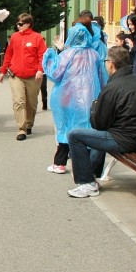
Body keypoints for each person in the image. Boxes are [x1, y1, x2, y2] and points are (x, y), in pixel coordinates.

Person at [65, 45, 136, 198]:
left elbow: (99, 124)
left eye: (106, 62)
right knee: (102, 133)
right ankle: (92, 175)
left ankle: (87, 182)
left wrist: (95, 107)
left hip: (126, 140)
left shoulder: (112, 87)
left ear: (111, 63)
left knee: (74, 135)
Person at [43, 17, 107, 172]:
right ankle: (89, 167)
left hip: (66, 98)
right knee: (88, 130)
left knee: (65, 128)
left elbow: (55, 73)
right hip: (90, 99)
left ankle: (60, 163)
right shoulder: (94, 54)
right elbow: (103, 78)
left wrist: (50, 55)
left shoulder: (67, 54)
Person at [0, 13, 47, 141]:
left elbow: (43, 56)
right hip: (16, 75)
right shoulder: (14, 37)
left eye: (20, 24)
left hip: (33, 76)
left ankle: (29, 123)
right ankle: (21, 129)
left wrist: (40, 70)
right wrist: (3, 71)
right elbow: (8, 54)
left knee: (31, 103)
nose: (18, 26)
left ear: (28, 24)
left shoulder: (37, 38)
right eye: (17, 23)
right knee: (19, 101)